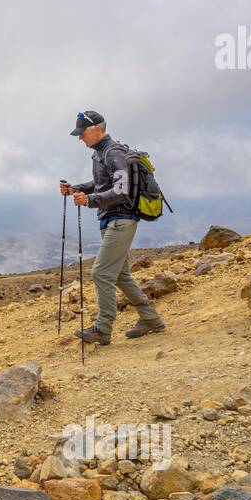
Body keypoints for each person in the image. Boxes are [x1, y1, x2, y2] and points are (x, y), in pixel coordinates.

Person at [59, 111, 165, 344]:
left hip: (121, 219)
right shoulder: (101, 153)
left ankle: (103, 328)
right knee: (120, 275)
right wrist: (77, 188)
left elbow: (121, 189)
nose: (80, 138)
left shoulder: (113, 152)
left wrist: (89, 201)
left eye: (82, 133)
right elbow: (101, 184)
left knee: (100, 273)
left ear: (97, 129)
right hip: (111, 219)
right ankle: (151, 319)